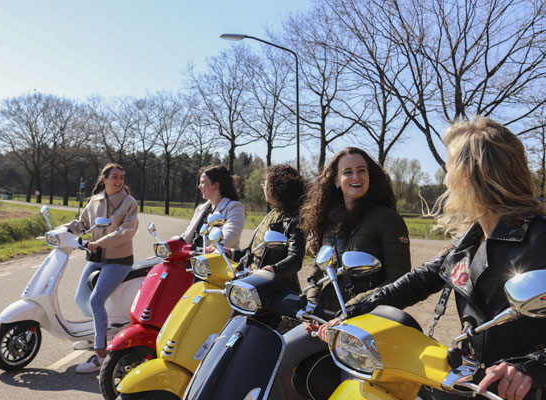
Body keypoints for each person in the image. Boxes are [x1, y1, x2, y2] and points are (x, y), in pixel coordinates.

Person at [314, 117, 546, 399]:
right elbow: (415, 282)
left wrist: (534, 365)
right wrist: (348, 314)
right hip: (472, 382)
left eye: (448, 167)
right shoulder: (469, 240)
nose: (444, 177)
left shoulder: (539, 238)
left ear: (468, 175)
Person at [271, 147, 411, 399]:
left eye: (362, 171)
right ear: (335, 180)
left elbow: (400, 281)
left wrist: (356, 308)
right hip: (325, 321)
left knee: (352, 393)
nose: (356, 177)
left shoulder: (387, 219)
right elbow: (318, 271)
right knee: (271, 361)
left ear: (371, 176)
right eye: (348, 172)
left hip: (365, 329)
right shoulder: (330, 219)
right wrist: (311, 307)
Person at [63, 163, 139, 374]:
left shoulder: (129, 203)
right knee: (81, 298)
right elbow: (83, 223)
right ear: (104, 179)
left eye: (121, 177)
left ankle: (100, 354)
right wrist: (65, 229)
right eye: (114, 176)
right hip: (97, 257)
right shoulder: (95, 201)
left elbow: (126, 231)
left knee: (96, 300)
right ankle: (97, 332)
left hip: (119, 260)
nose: (119, 180)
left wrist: (101, 242)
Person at [227, 164, 306, 293]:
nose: (263, 186)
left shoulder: (294, 220)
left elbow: (295, 259)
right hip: (255, 284)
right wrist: (233, 253)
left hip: (275, 292)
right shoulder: (273, 214)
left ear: (278, 187)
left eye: (265, 183)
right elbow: (256, 251)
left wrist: (272, 270)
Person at [179, 164, 245, 249]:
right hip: (191, 257)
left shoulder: (234, 207)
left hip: (216, 259)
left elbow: (230, 236)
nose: (199, 187)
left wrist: (212, 249)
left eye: (203, 183)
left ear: (216, 185)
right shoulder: (201, 208)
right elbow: (186, 234)